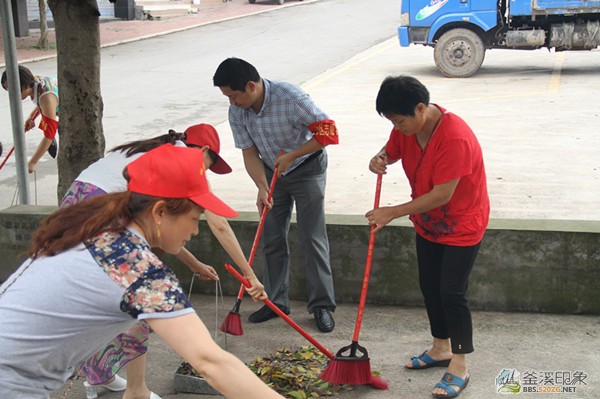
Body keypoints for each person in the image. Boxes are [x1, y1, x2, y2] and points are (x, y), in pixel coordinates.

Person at [0, 144, 282, 399]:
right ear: (159, 213)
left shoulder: (99, 232)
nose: (196, 231)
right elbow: (210, 363)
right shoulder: (134, 267)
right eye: (194, 219)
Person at [60, 126, 266, 399]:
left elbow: (157, 226)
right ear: (203, 151)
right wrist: (250, 275)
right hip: (101, 214)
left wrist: (194, 263)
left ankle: (102, 376)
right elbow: (218, 226)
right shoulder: (182, 162)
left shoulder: (159, 151)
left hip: (76, 205)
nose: (194, 230)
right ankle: (136, 392)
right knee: (142, 301)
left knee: (110, 300)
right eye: (211, 163)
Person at [366, 76, 489, 399]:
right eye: (392, 122)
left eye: (400, 120)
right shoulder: (405, 127)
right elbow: (391, 150)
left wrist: (393, 211)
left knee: (452, 292)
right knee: (430, 287)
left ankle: (459, 364)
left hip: (461, 223)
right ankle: (440, 348)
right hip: (428, 224)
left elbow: (442, 195)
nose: (397, 127)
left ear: (421, 108)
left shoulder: (455, 137)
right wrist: (379, 158)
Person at [213, 57, 338, 333]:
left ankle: (321, 306)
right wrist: (261, 185)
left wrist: (293, 155)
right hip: (271, 173)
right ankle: (276, 302)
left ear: (250, 86)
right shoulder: (237, 112)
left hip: (307, 167)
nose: (231, 102)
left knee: (312, 236)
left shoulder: (290, 97)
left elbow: (329, 132)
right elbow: (249, 152)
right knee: (271, 236)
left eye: (233, 96)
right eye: (227, 97)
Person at [1, 65, 59, 173]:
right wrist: (31, 117)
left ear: (24, 84)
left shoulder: (46, 97)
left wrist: (33, 162)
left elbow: (49, 135)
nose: (12, 94)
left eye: (13, 89)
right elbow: (41, 104)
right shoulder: (37, 82)